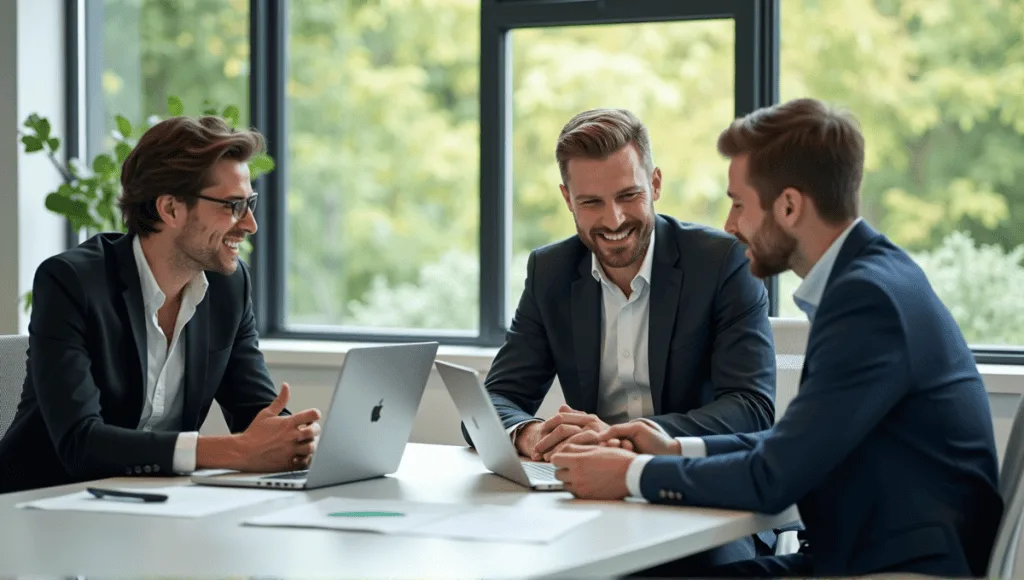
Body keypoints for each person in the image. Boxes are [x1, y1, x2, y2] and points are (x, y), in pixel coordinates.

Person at [550, 98, 1003, 578]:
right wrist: (674, 447)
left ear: (788, 206)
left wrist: (626, 475)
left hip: (896, 567)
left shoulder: (867, 301)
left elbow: (774, 478)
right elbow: (792, 446)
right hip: (864, 553)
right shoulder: (872, 275)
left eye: (739, 204)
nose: (729, 225)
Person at [477, 108, 778, 565]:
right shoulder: (551, 272)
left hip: (702, 501)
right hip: (593, 502)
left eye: (628, 195)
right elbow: (494, 399)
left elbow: (752, 408)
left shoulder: (722, 263)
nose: (613, 219)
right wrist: (533, 434)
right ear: (567, 198)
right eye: (591, 202)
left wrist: (627, 438)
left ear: (655, 184)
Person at [0, 116, 321, 494]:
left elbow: (255, 410)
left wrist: (288, 437)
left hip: (151, 506)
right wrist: (235, 451)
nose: (249, 224)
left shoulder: (227, 288)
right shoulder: (71, 283)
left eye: (249, 203)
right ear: (170, 209)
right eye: (232, 206)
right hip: (38, 509)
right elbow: (80, 443)